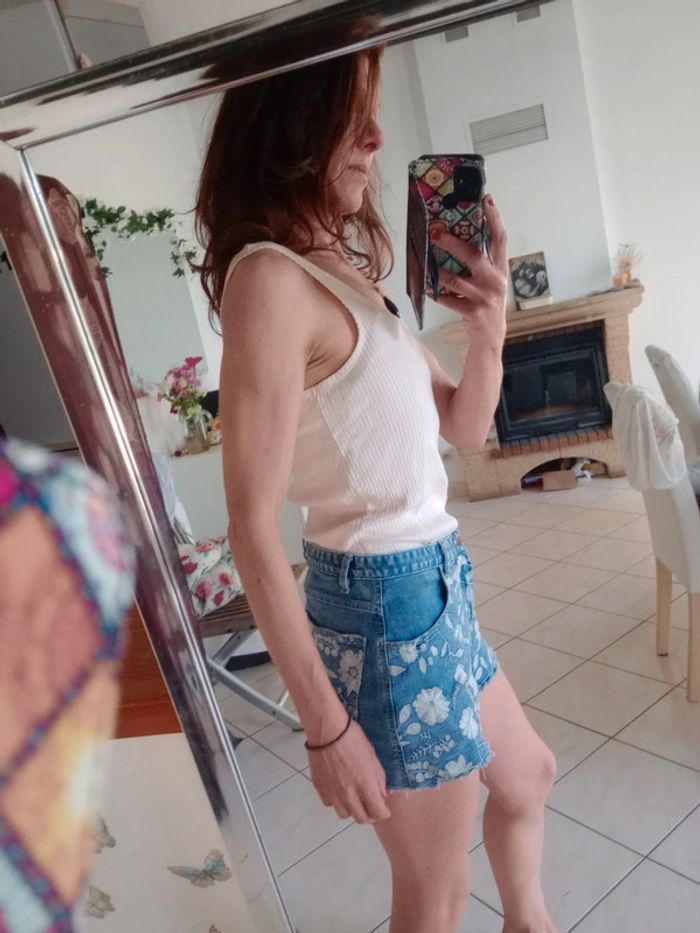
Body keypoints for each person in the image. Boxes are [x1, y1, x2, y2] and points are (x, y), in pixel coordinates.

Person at [195, 48, 558, 933]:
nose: (376, 138)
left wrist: (489, 329)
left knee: (527, 774)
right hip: (385, 606)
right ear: (292, 125)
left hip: (436, 583)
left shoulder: (340, 272)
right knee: (435, 889)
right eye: (351, 115)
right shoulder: (268, 280)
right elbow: (251, 526)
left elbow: (464, 427)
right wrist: (325, 727)